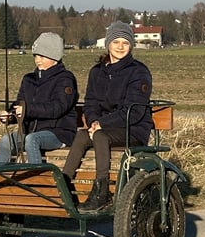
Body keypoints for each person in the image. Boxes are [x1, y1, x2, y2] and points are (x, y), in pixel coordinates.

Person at [62, 21, 154, 213]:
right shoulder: (97, 72)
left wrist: (100, 124)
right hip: (103, 127)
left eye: (125, 43)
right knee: (81, 135)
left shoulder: (139, 72)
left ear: (131, 46)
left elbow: (134, 111)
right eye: (116, 42)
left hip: (132, 128)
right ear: (108, 44)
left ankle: (101, 192)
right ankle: (63, 185)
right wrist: (95, 121)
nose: (120, 46)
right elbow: (90, 102)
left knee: (99, 136)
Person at [0, 32, 78, 164]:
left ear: (55, 58)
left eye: (42, 56)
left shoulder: (65, 79)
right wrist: (10, 116)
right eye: (36, 56)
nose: (37, 60)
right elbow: (20, 103)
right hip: (30, 132)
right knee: (7, 140)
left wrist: (27, 110)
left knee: (32, 140)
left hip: (59, 133)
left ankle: (35, 177)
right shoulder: (28, 79)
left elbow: (58, 107)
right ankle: (1, 177)